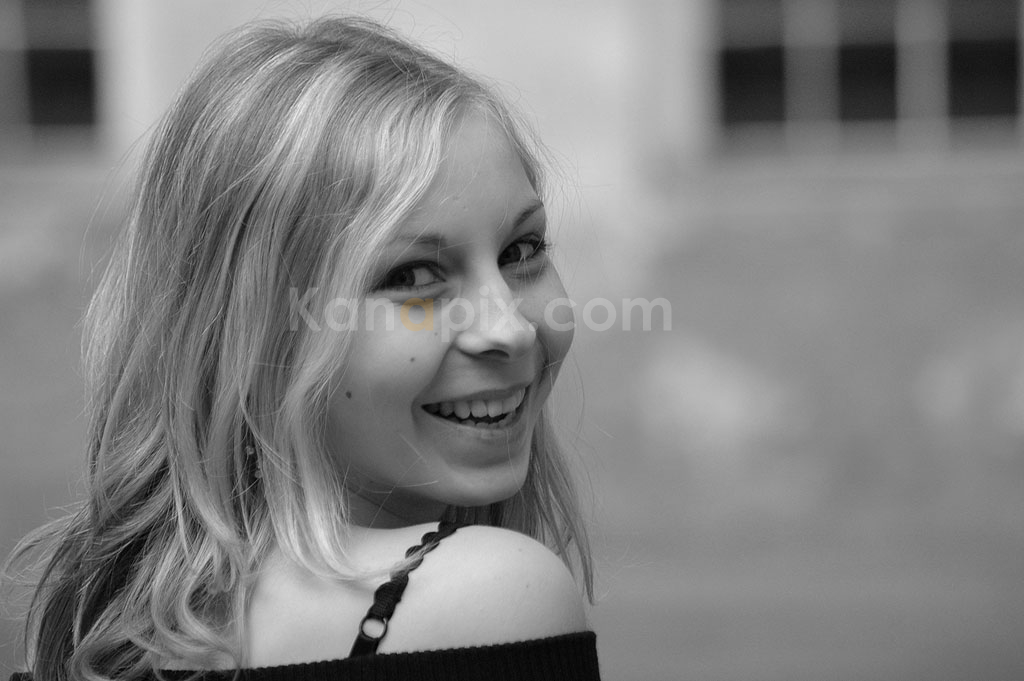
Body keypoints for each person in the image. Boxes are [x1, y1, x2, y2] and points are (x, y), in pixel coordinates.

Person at [5, 15, 599, 681]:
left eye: (521, 249)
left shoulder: (100, 618)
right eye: (411, 276)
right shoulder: (489, 596)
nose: (511, 328)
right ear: (252, 333)